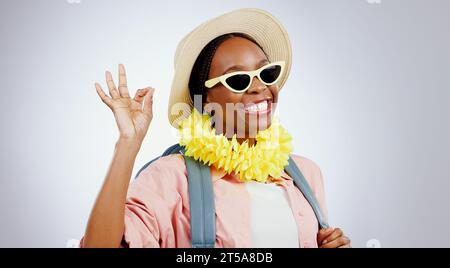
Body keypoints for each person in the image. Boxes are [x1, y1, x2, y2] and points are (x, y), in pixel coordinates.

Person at [81, 8, 351, 248]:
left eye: (266, 73)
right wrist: (128, 143)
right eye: (238, 79)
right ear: (205, 98)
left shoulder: (307, 175)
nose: (259, 87)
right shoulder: (172, 177)